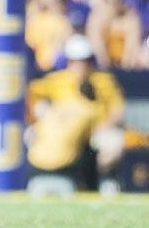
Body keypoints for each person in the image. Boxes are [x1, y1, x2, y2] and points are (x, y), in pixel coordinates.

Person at [26, 34, 125, 195]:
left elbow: (117, 111)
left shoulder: (103, 81)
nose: (80, 65)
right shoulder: (57, 80)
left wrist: (103, 125)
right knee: (33, 132)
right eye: (75, 60)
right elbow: (32, 95)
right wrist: (36, 122)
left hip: (97, 128)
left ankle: (106, 181)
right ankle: (40, 174)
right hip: (66, 128)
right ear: (68, 61)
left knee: (113, 142)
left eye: (84, 60)